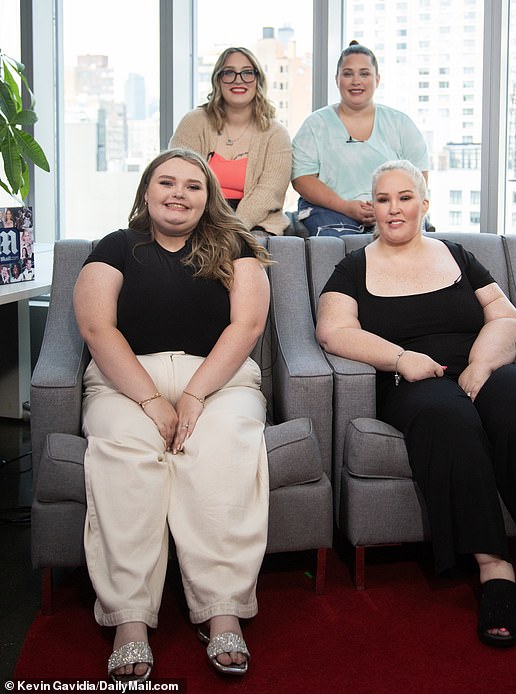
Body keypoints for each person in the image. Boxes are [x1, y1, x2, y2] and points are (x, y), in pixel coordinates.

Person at [316, 159, 516, 647]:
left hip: (482, 366)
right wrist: (401, 358)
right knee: (449, 423)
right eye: (383, 199)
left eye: (405, 197)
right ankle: (495, 570)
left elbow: (502, 314)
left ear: (424, 203)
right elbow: (334, 330)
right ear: (373, 209)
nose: (394, 208)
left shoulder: (457, 255)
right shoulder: (353, 266)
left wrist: (482, 364)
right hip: (415, 381)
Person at [73, 148, 271, 682]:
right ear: (146, 191)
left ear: (209, 198)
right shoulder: (115, 246)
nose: (178, 193)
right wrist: (150, 401)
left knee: (223, 449)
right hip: (126, 380)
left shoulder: (235, 245)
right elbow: (97, 329)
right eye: (167, 182)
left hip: (218, 379)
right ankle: (129, 618)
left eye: (193, 185)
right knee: (126, 452)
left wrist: (196, 396)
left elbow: (246, 327)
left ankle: (221, 607)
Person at [291, 42, 430, 237]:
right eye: (348, 74)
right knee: (345, 257)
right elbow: (302, 179)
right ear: (337, 79)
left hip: (392, 210)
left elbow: (419, 178)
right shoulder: (315, 125)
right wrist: (346, 207)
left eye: (364, 74)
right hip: (331, 211)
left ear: (377, 79)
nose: (356, 81)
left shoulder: (400, 123)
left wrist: (386, 206)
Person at [170, 46, 292, 236]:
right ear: (218, 80)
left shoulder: (276, 134)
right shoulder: (193, 123)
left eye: (247, 73)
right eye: (229, 73)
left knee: (239, 248)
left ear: (258, 80)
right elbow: (178, 178)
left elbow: (269, 193)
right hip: (198, 217)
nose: (238, 80)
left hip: (254, 222)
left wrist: (229, 228)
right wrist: (207, 224)